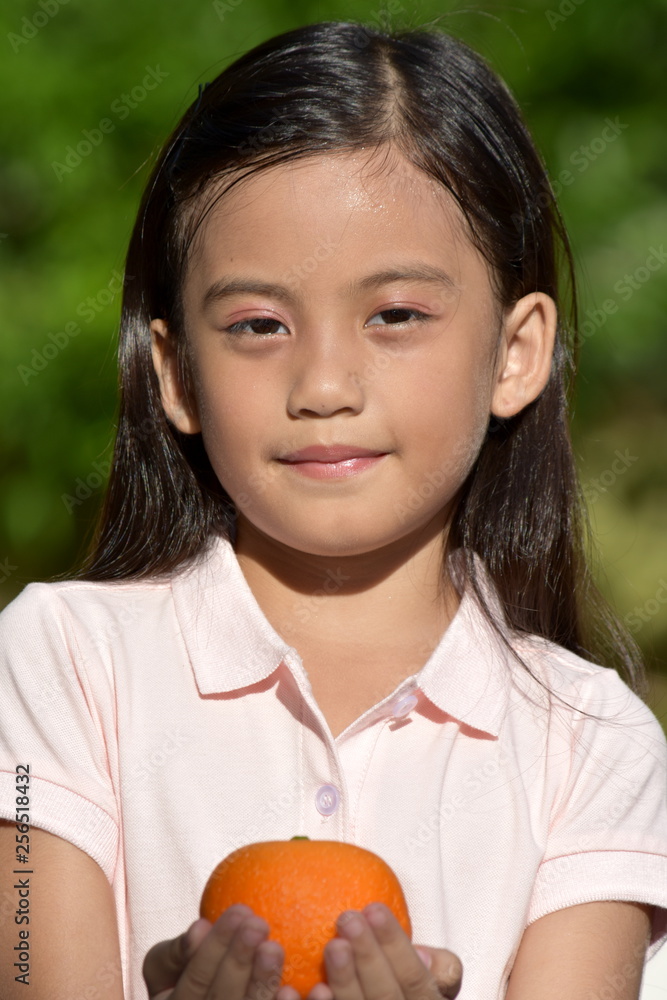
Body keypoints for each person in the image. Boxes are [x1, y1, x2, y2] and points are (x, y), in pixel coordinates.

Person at [1, 16, 666, 1000]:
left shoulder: (593, 742)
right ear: (175, 373)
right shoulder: (59, 663)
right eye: (257, 325)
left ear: (515, 352)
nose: (322, 385)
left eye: (395, 315)